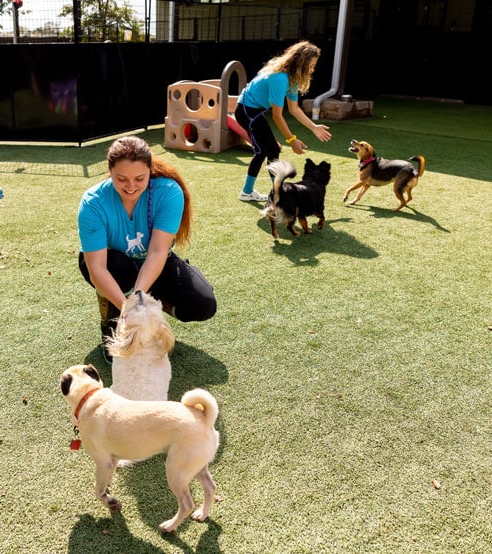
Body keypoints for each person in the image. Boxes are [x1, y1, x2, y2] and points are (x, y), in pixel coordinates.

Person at [77, 135, 217, 359]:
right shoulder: (93, 202)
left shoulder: (169, 192)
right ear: (110, 171)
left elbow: (158, 251)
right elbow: (98, 268)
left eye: (140, 178)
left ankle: (150, 308)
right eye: (121, 179)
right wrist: (127, 310)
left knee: (202, 305)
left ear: (150, 171)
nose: (131, 187)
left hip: (152, 261)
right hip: (113, 266)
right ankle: (110, 320)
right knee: (118, 265)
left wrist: (140, 300)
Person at [234, 40, 333, 202]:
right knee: (270, 150)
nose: (312, 69)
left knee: (265, 151)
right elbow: (277, 116)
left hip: (255, 111)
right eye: (311, 65)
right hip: (246, 110)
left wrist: (314, 127)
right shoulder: (279, 78)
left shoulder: (292, 78)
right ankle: (277, 195)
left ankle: (250, 192)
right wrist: (292, 140)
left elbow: (294, 109)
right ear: (301, 63)